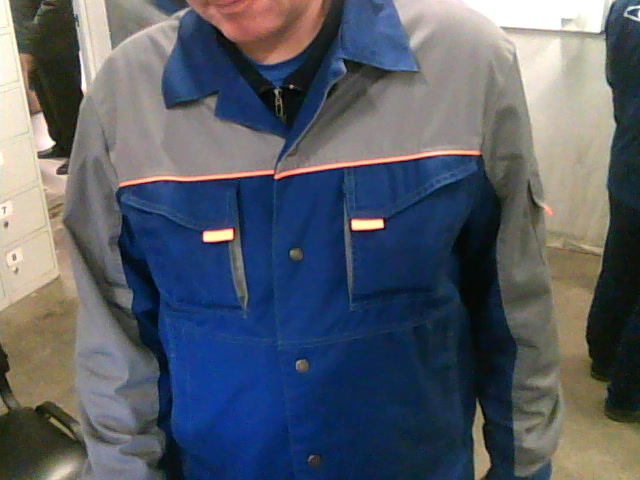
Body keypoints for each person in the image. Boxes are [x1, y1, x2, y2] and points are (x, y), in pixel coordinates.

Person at [64, 0, 563, 479]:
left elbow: (513, 298)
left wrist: (524, 462)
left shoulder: (464, 61)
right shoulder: (125, 94)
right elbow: (115, 330)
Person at [585, 0, 640, 424]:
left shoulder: (623, 6)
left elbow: (616, 77)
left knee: (622, 263)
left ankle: (604, 355)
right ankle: (628, 394)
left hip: (629, 157)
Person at [9, 0, 83, 175]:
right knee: (47, 99)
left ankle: (80, 152)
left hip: (53, 43)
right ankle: (62, 144)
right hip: (34, 45)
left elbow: (55, 4)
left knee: (66, 101)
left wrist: (31, 39)